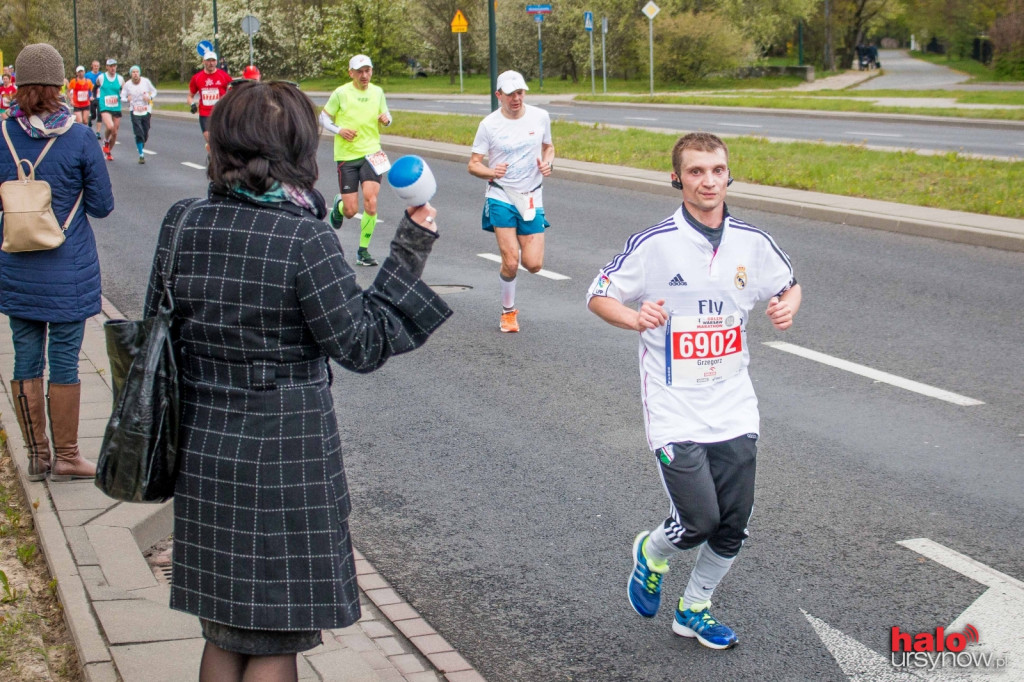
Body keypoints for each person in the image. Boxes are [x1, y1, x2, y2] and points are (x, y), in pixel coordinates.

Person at [146, 80, 451, 681]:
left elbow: (165, 329)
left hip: (204, 445)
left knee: (225, 627)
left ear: (222, 142)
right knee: (274, 634)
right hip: (285, 454)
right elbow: (360, 343)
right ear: (299, 150)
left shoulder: (183, 222)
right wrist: (413, 242)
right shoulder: (302, 236)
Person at [586, 132, 801, 650]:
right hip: (674, 405)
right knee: (700, 519)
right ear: (677, 177)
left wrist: (789, 305)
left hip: (733, 404)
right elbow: (598, 294)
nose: (708, 180)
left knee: (734, 525)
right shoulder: (655, 243)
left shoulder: (753, 241)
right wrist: (635, 316)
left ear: (729, 176)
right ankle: (653, 553)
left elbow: (787, 283)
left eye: (717, 170)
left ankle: (694, 608)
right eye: (697, 171)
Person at [0, 43, 114, 483]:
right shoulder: (80, 137)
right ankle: (68, 455)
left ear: (19, 84)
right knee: (66, 357)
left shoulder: (3, 135)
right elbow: (102, 206)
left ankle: (37, 455)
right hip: (69, 266)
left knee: (26, 356)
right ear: (58, 83)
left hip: (16, 263)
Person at [467, 70, 554, 333]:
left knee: (534, 264)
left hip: (531, 196)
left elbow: (548, 147)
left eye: (520, 93)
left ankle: (516, 271)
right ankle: (508, 312)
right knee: (511, 261)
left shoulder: (540, 117)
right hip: (501, 194)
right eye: (510, 94)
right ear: (498, 95)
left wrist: (548, 163)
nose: (516, 99)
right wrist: (492, 172)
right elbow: (473, 165)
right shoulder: (489, 125)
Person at [319, 54, 392, 267]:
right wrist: (340, 130)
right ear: (351, 73)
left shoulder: (377, 92)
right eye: (359, 71)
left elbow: (386, 115)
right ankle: (340, 205)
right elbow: (323, 118)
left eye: (367, 70)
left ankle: (363, 251)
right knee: (351, 211)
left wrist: (387, 120)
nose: (364, 75)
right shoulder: (341, 93)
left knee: (371, 201)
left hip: (372, 153)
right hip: (347, 156)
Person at [187, 51, 231, 146]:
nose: (211, 63)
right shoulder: (197, 78)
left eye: (213, 60)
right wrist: (192, 105)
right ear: (204, 62)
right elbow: (190, 96)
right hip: (205, 114)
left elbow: (232, 92)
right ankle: (213, 157)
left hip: (220, 113)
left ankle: (219, 158)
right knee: (210, 140)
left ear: (216, 62)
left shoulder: (224, 76)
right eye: (208, 61)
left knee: (222, 140)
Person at [121, 65, 156, 164]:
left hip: (146, 110)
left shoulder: (145, 82)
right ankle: (141, 155)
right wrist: (126, 99)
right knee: (138, 132)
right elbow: (122, 97)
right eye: (133, 72)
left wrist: (149, 97)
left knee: (145, 132)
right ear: (131, 74)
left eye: (137, 72)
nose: (135, 74)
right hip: (134, 110)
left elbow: (154, 91)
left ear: (139, 73)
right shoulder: (127, 84)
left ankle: (141, 143)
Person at [95, 58, 123, 161]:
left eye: (114, 66)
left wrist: (125, 96)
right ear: (107, 67)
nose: (112, 68)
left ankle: (108, 151)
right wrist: (94, 97)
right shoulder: (101, 77)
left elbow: (124, 90)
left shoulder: (120, 79)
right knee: (110, 126)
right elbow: (95, 86)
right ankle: (106, 141)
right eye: (110, 66)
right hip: (105, 106)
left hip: (116, 106)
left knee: (115, 132)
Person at [84, 60, 101, 138]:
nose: (96, 67)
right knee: (93, 114)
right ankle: (90, 119)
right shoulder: (87, 75)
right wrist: (88, 96)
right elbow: (83, 87)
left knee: (100, 114)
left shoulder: (102, 75)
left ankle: (98, 132)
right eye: (95, 66)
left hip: (100, 97)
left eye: (97, 66)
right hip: (91, 97)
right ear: (92, 66)